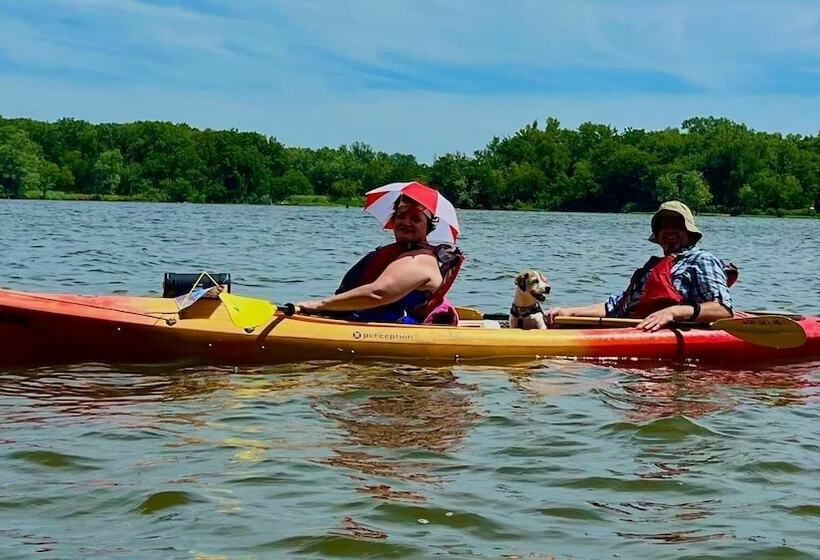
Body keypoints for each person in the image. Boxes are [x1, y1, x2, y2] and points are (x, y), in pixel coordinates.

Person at [544, 201, 735, 332]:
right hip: (634, 328)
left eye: (676, 224)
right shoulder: (654, 266)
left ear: (689, 232)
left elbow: (722, 310)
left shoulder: (702, 259)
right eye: (663, 225)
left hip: (669, 333)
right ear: (657, 234)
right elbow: (616, 306)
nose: (668, 230)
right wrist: (570, 312)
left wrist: (673, 312)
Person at [295, 194, 463, 324]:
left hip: (396, 328)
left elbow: (377, 294)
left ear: (428, 227)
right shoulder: (399, 253)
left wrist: (318, 305)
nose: (406, 222)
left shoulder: (419, 260)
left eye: (416, 219)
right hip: (367, 317)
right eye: (401, 216)